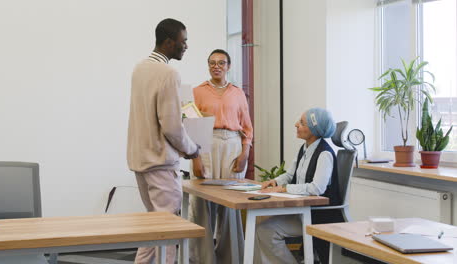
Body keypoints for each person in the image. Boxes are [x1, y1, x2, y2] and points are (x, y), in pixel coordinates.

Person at [127, 18, 205, 264]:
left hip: (140, 160)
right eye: (183, 42)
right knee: (168, 231)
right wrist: (192, 149)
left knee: (153, 227)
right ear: (169, 42)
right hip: (160, 163)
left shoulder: (140, 68)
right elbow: (171, 126)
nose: (186, 46)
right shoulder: (168, 73)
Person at [254, 108, 344, 264]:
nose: (296, 124)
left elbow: (317, 188)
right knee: (263, 229)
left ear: (315, 130)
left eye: (302, 123)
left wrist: (285, 188)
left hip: (319, 216)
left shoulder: (325, 154)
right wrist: (275, 182)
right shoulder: (304, 149)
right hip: (303, 211)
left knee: (266, 231)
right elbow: (290, 175)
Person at [188, 49, 253, 264]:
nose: (217, 66)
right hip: (205, 144)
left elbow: (247, 128)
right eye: (212, 63)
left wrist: (245, 153)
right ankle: (202, 259)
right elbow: (190, 126)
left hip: (232, 144)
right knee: (201, 205)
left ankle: (230, 258)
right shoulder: (196, 92)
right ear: (208, 66)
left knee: (230, 204)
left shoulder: (238, 93)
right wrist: (195, 157)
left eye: (221, 63)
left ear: (228, 66)